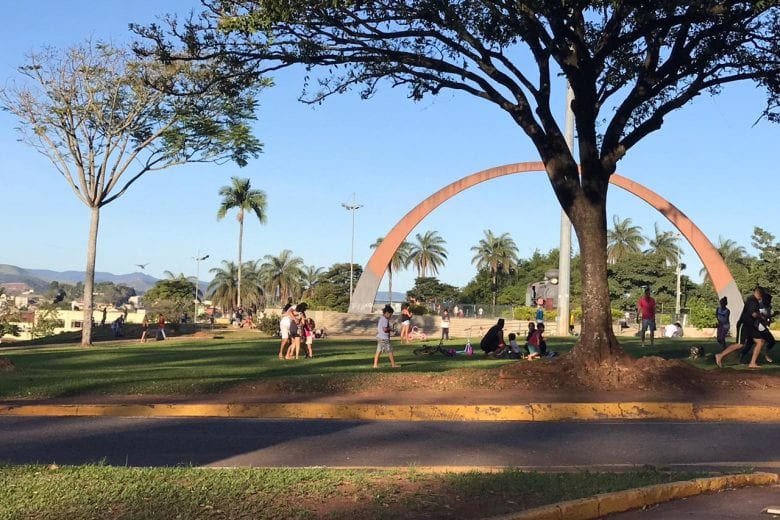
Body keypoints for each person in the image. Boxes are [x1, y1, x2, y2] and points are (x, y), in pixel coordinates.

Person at [716, 287, 767, 369]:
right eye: (763, 295)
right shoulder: (752, 301)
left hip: (750, 325)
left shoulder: (753, 300)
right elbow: (753, 314)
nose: (763, 297)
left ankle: (752, 363)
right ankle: (720, 355)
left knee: (760, 342)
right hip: (744, 325)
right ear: (760, 294)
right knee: (739, 344)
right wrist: (762, 317)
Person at [374, 304, 399, 368]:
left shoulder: (381, 318)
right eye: (390, 315)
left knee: (378, 351)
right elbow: (385, 329)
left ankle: (375, 365)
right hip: (384, 338)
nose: (391, 316)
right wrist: (391, 329)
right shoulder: (385, 320)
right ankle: (393, 365)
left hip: (379, 337)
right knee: (390, 351)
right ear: (387, 313)